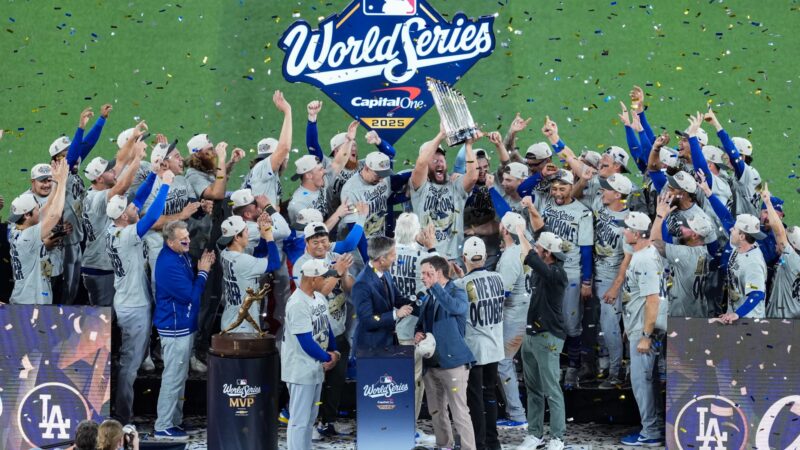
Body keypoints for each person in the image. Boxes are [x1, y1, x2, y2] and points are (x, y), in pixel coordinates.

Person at [106, 165, 172, 426]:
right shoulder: (127, 236)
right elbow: (152, 216)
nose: (135, 207)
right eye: (130, 208)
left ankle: (120, 411)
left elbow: (139, 202)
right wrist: (165, 185)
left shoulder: (113, 227)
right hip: (133, 306)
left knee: (127, 360)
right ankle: (122, 417)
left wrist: (154, 174)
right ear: (124, 216)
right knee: (129, 364)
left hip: (126, 300)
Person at [152, 220, 216, 440]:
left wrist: (201, 268)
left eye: (188, 236)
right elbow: (190, 295)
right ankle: (163, 425)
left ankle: (174, 421)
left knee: (180, 377)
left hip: (182, 325)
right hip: (174, 328)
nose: (188, 240)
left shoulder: (180, 255)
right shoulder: (169, 264)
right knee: (173, 377)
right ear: (170, 242)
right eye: (183, 239)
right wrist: (203, 272)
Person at [292, 221, 355, 438]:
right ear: (306, 242)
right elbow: (318, 293)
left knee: (336, 382)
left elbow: (349, 288)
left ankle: (328, 422)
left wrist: (343, 273)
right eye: (315, 242)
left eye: (324, 240)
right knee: (313, 383)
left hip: (337, 330)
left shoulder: (334, 257)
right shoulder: (303, 265)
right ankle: (307, 425)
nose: (321, 245)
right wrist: (337, 272)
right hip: (315, 334)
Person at [49, 104, 112, 304]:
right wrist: (80, 127)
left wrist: (101, 120)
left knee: (73, 288)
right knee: (64, 288)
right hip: (62, 243)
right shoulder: (59, 174)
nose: (74, 155)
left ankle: (63, 316)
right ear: (57, 158)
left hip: (76, 239)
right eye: (66, 152)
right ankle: (57, 320)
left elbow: (86, 145)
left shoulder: (73, 169)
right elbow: (74, 154)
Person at [514, 226, 568, 450]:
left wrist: (520, 233)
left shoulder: (557, 274)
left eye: (539, 248)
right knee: (533, 388)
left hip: (548, 337)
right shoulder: (542, 269)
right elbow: (532, 259)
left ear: (547, 253)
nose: (535, 250)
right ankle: (535, 434)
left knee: (552, 389)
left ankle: (558, 437)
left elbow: (531, 258)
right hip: (531, 335)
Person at [81, 121, 146, 306]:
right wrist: (137, 158)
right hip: (99, 268)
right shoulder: (97, 198)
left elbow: (120, 161)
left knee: (110, 314)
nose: (114, 171)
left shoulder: (99, 187)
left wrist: (133, 138)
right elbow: (123, 186)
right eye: (109, 171)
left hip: (99, 263)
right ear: (100, 178)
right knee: (104, 316)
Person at [415, 255, 476, 450]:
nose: (423, 277)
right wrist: (418, 333)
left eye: (427, 273)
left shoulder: (458, 292)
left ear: (438, 272)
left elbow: (454, 307)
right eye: (422, 273)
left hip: (453, 363)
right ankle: (444, 446)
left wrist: (436, 287)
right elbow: (421, 324)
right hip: (432, 363)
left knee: (459, 412)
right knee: (436, 411)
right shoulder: (428, 296)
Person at [389, 212, 437, 446]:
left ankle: (390, 426)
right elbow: (434, 287)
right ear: (417, 231)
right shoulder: (423, 257)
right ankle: (408, 430)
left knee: (389, 381)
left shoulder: (386, 254)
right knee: (413, 382)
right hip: (411, 330)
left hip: (388, 327)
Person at [619, 211, 667, 447]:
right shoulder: (648, 252)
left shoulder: (644, 260)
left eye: (627, 229)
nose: (623, 231)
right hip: (640, 325)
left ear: (637, 235)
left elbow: (653, 300)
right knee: (649, 380)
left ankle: (651, 432)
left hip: (645, 330)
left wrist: (645, 335)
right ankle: (654, 426)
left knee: (642, 382)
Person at [281, 258, 340, 450]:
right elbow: (306, 342)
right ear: (313, 279)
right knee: (299, 420)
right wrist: (328, 358)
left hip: (315, 367)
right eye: (324, 277)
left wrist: (334, 351)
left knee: (310, 418)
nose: (327, 281)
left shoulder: (319, 298)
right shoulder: (297, 303)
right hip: (300, 369)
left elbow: (327, 328)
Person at [456, 237, 505, 450]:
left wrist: (462, 278)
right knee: (489, 394)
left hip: (474, 349)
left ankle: (479, 442)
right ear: (485, 257)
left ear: (463, 258)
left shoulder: (459, 285)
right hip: (494, 347)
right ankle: (493, 442)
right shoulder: (499, 278)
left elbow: (466, 292)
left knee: (474, 398)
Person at [410, 127, 478, 261]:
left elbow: (473, 177)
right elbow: (421, 163)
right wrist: (441, 135)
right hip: (426, 257)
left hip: (454, 259)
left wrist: (469, 146)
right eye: (434, 160)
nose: (439, 163)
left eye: (441, 160)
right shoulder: (419, 186)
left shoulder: (455, 183)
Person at [8, 159, 69, 304]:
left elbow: (47, 208)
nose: (39, 210)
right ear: (27, 215)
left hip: (26, 296)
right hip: (30, 302)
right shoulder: (27, 238)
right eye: (36, 209)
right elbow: (54, 215)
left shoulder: (18, 229)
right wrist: (62, 182)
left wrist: (55, 183)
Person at [494, 212, 532, 428]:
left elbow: (503, 294)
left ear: (505, 230)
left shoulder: (510, 257)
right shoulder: (527, 247)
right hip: (528, 310)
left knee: (503, 361)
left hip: (514, 313)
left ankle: (517, 415)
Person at [651, 192, 714, 318]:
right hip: (696, 314)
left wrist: (660, 216)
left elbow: (654, 243)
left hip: (680, 317)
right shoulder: (703, 251)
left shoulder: (686, 254)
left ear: (694, 235)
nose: (681, 228)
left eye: (686, 227)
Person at [218, 214, 281, 333]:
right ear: (237, 237)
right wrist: (269, 236)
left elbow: (258, 255)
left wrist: (262, 235)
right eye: (246, 231)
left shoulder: (225, 253)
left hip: (229, 320)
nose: (249, 234)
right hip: (242, 328)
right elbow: (275, 263)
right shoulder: (242, 261)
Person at [351, 236, 414, 350]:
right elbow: (367, 320)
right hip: (371, 347)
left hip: (387, 342)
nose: (395, 258)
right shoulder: (362, 284)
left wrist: (420, 304)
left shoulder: (384, 272)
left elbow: (398, 299)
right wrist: (395, 314)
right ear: (382, 259)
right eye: (393, 255)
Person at [761, 186, 800, 318]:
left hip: (781, 319)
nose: (778, 243)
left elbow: (779, 232)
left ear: (792, 246)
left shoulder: (791, 259)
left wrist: (768, 202)